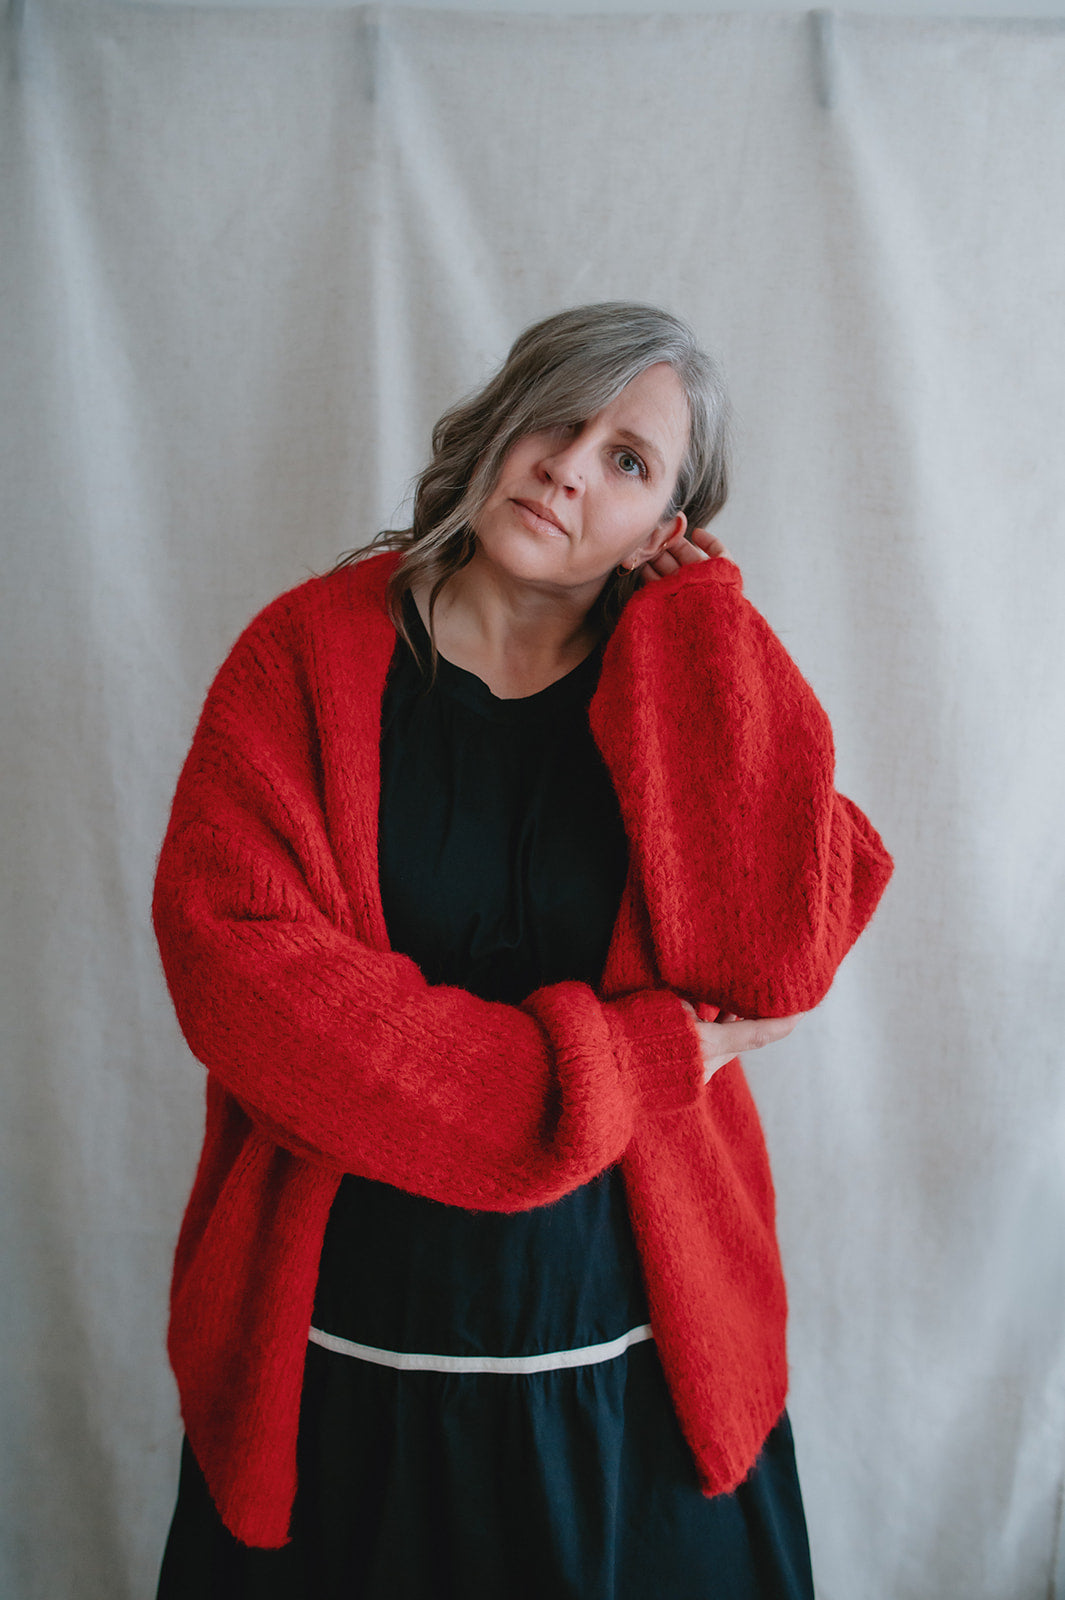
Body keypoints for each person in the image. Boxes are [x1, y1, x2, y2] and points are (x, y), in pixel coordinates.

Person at [152, 302, 892, 1598]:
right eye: (558, 419)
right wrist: (634, 1064)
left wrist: (699, 627)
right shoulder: (302, 658)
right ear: (501, 426)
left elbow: (772, 962)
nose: (569, 466)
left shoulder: (680, 681)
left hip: (634, 1369)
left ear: (664, 526)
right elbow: (249, 993)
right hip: (344, 1364)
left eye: (628, 459)